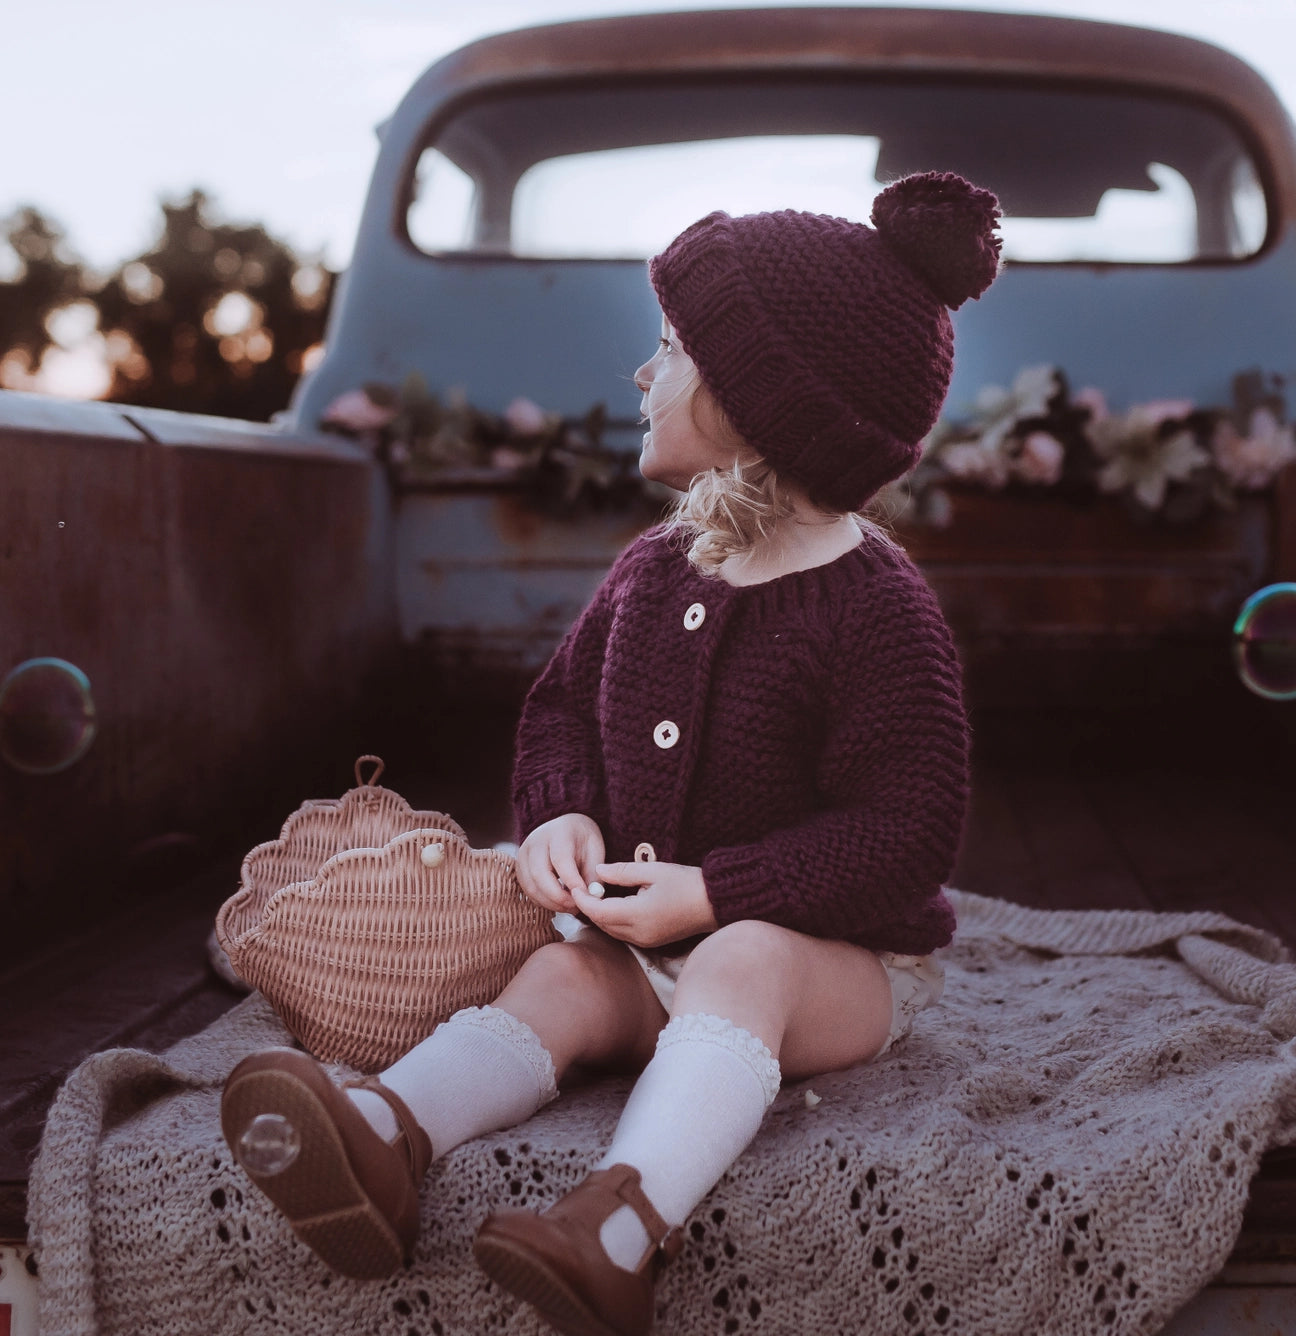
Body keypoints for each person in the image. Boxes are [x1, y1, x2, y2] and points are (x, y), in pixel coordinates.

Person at [220, 170, 1001, 1336]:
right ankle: (385, 1136)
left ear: (762, 400)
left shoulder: (871, 605)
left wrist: (719, 890)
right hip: (648, 951)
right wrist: (558, 816)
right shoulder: (651, 572)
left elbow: (906, 835)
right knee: (560, 974)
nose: (644, 374)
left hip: (830, 969)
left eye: (674, 351)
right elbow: (559, 715)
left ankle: (617, 1230)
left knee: (742, 958)